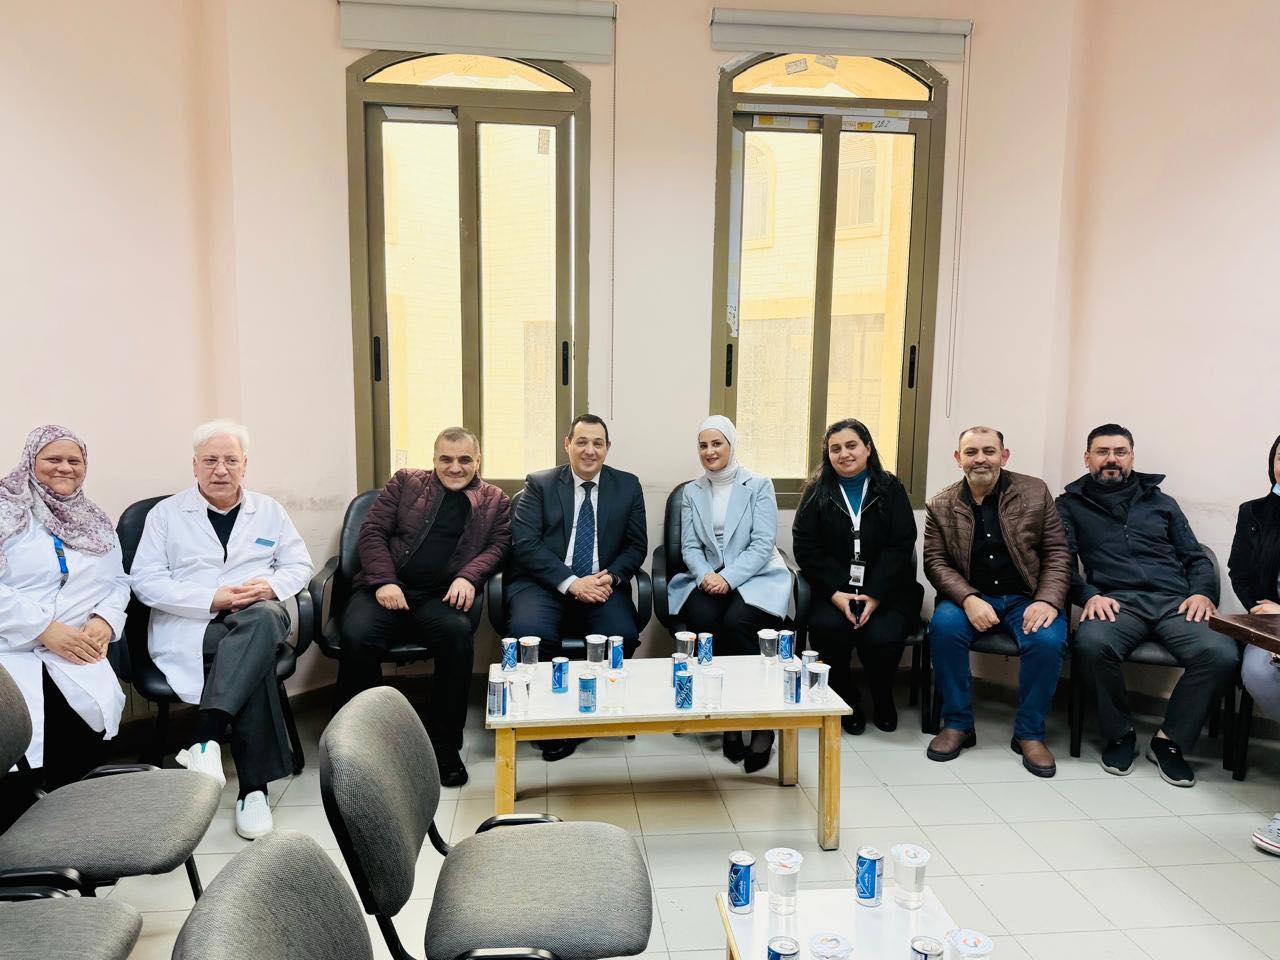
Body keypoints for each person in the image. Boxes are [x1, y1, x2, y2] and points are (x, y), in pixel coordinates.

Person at [131, 419, 313, 839]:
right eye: (210, 460)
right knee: (254, 656)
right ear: (194, 465)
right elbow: (145, 581)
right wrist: (211, 598)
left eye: (231, 460)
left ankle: (205, 737)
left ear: (245, 464)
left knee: (263, 619)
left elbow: (299, 564)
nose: (220, 469)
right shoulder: (165, 515)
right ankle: (254, 791)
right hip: (194, 623)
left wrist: (270, 587)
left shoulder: (269, 510)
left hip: (257, 611)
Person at [1061, 423, 1236, 788]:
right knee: (1091, 644)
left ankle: (1170, 740)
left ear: (1132, 457)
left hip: (1175, 602)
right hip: (1116, 602)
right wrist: (1089, 595)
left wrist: (1202, 593)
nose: (1112, 459)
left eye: (1120, 452)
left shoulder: (1161, 502)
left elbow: (1196, 557)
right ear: (1087, 458)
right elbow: (1060, 562)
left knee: (1221, 653)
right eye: (1103, 452)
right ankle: (1120, 733)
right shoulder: (1070, 505)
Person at [336, 427, 511, 786]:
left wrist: (469, 577)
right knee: (356, 636)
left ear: (478, 461)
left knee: (457, 635)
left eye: (464, 459)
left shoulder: (495, 499)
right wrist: (384, 581)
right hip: (386, 589)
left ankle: (443, 743)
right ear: (434, 459)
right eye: (446, 459)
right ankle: (367, 740)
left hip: (440, 597)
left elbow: (499, 546)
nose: (455, 467)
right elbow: (372, 533)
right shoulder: (405, 482)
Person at [0, 426, 128, 832]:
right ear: (30, 462)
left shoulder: (94, 519)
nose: (65, 467)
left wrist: (105, 619)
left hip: (76, 653)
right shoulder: (6, 510)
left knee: (81, 755)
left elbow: (118, 581)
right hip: (11, 654)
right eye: (52, 459)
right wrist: (43, 628)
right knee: (18, 765)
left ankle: (77, 836)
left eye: (75, 460)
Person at [923, 426, 1071, 776]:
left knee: (1048, 641)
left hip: (1026, 598)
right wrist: (968, 598)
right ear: (958, 458)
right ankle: (958, 723)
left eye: (989, 451)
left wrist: (1048, 600)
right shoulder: (941, 504)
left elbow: (1057, 552)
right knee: (943, 628)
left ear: (1004, 456)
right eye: (971, 452)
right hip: (971, 596)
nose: (980, 459)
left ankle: (1029, 733)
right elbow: (935, 561)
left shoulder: (1034, 492)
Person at [507, 414, 647, 761]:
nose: (589, 450)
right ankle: (547, 718)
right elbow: (525, 544)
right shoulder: (539, 484)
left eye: (597, 443)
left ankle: (591, 715)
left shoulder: (627, 485)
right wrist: (572, 583)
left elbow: (636, 546)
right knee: (530, 635)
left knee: (621, 635)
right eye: (581, 442)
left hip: (601, 584)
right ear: (567, 444)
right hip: (545, 584)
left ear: (607, 448)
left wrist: (611, 577)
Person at [666, 416, 792, 770]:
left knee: (738, 622)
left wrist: (729, 578)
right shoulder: (692, 491)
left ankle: (762, 723)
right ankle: (729, 719)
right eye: (703, 445)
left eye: (717, 443)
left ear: (731, 445)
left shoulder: (759, 485)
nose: (710, 451)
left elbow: (762, 543)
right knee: (704, 622)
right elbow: (690, 546)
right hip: (708, 576)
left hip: (756, 575)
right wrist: (706, 574)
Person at [793, 418, 922, 737]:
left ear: (867, 448)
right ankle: (846, 700)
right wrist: (838, 594)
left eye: (851, 445)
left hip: (887, 590)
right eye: (835, 448)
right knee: (827, 629)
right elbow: (805, 547)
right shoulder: (816, 491)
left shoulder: (890, 488)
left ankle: (882, 696)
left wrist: (874, 594)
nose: (844, 454)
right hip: (833, 590)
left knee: (882, 637)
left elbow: (901, 544)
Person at [1227, 434, 1280, 852]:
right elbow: (1239, 572)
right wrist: (1264, 612)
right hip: (1268, 625)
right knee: (1258, 671)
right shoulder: (1255, 512)